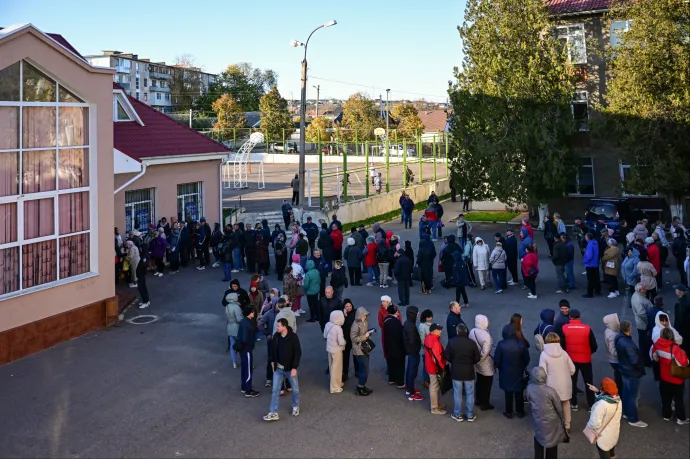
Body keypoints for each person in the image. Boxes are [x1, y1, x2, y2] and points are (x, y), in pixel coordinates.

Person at [263, 318, 301, 421]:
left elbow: (297, 353)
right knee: (275, 390)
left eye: (278, 326)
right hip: (278, 368)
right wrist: (272, 362)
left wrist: (294, 367)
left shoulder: (293, 337)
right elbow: (272, 351)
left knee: (295, 389)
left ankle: (295, 406)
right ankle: (273, 412)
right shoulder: (276, 336)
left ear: (284, 326)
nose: (277, 327)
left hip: (289, 368)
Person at [539, 333, 575, 438]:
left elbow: (542, 372)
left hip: (551, 385)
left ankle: (555, 427)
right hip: (565, 383)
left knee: (553, 407)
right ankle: (567, 426)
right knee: (566, 404)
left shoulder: (544, 354)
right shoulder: (564, 353)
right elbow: (572, 369)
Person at [526, 366, 567, 459]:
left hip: (538, 419)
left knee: (538, 438)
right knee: (552, 443)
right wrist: (562, 419)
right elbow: (558, 407)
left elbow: (529, 400)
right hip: (551, 421)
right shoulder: (550, 391)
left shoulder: (529, 388)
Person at [652, 327, 689, 425]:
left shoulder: (657, 345)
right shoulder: (675, 348)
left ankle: (666, 415)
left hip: (664, 377)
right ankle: (681, 418)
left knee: (666, 398)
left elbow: (655, 358)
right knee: (678, 399)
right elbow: (683, 363)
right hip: (676, 380)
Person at [561, 309, 597, 411]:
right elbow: (594, 346)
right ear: (579, 317)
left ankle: (574, 404)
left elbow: (562, 345)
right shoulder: (587, 329)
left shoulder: (564, 328)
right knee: (589, 382)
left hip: (571, 360)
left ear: (570, 317)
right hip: (585, 360)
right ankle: (591, 404)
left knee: (572, 382)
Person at [613, 320, 647, 427]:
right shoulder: (629, 344)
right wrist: (641, 368)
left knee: (627, 394)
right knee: (632, 395)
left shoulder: (619, 339)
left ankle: (627, 413)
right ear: (629, 329)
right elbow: (635, 361)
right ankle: (633, 419)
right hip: (632, 372)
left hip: (624, 369)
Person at [445, 323, 480, 422]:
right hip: (469, 371)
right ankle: (470, 414)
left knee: (457, 393)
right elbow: (477, 358)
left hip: (456, 371)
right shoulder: (472, 343)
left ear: (457, 331)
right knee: (470, 393)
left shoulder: (452, 342)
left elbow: (446, 355)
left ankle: (458, 414)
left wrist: (454, 361)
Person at [495, 324, 530, 419]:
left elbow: (497, 359)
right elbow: (527, 358)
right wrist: (523, 366)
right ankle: (520, 412)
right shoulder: (520, 344)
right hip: (518, 371)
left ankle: (509, 411)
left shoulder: (501, 344)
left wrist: (498, 367)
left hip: (505, 372)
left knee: (508, 393)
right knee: (519, 393)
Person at [586, 378, 622, 459]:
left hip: (603, 437)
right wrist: (597, 392)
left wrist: (589, 426)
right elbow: (606, 397)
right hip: (614, 433)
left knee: (604, 452)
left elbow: (594, 424)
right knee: (611, 448)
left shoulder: (601, 404)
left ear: (603, 390)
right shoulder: (618, 399)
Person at [469, 314, 495, 411]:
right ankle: (485, 403)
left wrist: (475, 360)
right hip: (486, 363)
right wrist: (479, 360)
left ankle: (478, 399)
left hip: (476, 361)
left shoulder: (472, 331)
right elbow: (485, 352)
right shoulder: (487, 336)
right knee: (487, 384)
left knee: (479, 381)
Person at [424, 323, 447, 415]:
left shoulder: (429, 337)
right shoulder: (435, 342)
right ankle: (434, 408)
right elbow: (437, 358)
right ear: (434, 331)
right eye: (439, 329)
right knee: (434, 387)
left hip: (429, 365)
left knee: (434, 386)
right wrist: (442, 367)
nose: (441, 331)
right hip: (434, 368)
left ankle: (436, 404)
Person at [237, 307, 260, 397]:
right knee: (248, 369)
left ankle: (244, 386)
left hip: (242, 349)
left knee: (244, 368)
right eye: (252, 312)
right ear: (249, 313)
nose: (253, 313)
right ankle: (248, 390)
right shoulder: (247, 323)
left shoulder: (243, 321)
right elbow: (245, 338)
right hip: (247, 349)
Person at [402, 306, 423, 401]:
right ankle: (412, 393)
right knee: (412, 371)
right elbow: (412, 340)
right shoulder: (411, 325)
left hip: (410, 351)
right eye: (417, 312)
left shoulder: (408, 323)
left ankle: (409, 388)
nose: (418, 314)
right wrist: (416, 348)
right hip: (413, 351)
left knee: (409, 369)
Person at [351, 307, 373, 396]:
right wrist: (365, 336)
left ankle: (362, 386)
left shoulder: (365, 322)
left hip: (365, 348)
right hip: (359, 350)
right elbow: (353, 338)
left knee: (364, 369)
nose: (365, 317)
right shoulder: (355, 325)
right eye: (363, 315)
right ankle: (360, 388)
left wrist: (368, 334)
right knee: (365, 370)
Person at [383, 305, 406, 388]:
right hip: (397, 347)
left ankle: (391, 379)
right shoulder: (396, 322)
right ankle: (400, 383)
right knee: (400, 365)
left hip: (388, 346)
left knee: (391, 363)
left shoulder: (386, 319)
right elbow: (400, 335)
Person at [324, 310, 346, 394]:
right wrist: (345, 342)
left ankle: (336, 383)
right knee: (337, 368)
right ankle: (335, 387)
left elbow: (325, 335)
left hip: (329, 348)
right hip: (337, 350)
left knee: (331, 366)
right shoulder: (338, 328)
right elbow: (341, 341)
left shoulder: (327, 324)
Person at [631, 283, 653, 366]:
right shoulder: (639, 300)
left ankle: (644, 359)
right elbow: (641, 313)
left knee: (643, 342)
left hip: (641, 323)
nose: (646, 290)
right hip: (643, 324)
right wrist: (648, 322)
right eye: (644, 289)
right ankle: (646, 361)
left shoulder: (636, 295)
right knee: (645, 343)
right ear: (640, 290)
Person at [602, 313, 623, 391]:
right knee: (619, 377)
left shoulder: (608, 330)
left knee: (617, 375)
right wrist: (623, 354)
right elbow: (612, 350)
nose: (619, 321)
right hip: (616, 360)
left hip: (612, 359)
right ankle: (619, 391)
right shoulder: (613, 335)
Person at [225, 292, 244, 369]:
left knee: (232, 345)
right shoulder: (236, 307)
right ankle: (243, 360)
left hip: (229, 327)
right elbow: (239, 319)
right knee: (241, 345)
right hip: (237, 328)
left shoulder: (227, 306)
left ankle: (234, 362)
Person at [341, 299, 358, 382]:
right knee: (345, 357)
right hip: (346, 338)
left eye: (350, 306)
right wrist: (344, 314)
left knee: (356, 355)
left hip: (354, 338)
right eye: (347, 306)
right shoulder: (342, 314)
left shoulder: (355, 312)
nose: (349, 308)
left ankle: (357, 371)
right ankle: (345, 373)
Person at [582, 233, 601, 298]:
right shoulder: (595, 243)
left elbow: (589, 256)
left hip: (590, 264)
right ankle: (598, 290)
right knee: (596, 278)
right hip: (595, 263)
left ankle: (590, 293)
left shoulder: (590, 244)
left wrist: (585, 260)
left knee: (590, 280)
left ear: (587, 238)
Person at [674, 284, 690, 353]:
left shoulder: (681, 303)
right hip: (687, 325)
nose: (675, 291)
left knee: (684, 343)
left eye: (676, 290)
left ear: (680, 292)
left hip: (683, 327)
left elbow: (679, 317)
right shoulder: (686, 299)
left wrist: (676, 328)